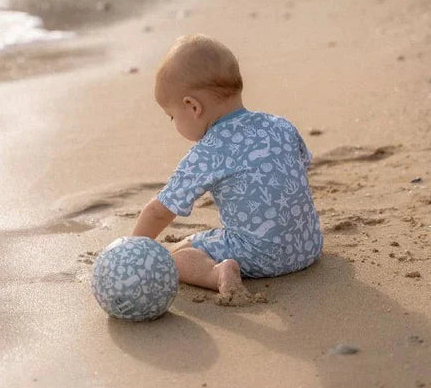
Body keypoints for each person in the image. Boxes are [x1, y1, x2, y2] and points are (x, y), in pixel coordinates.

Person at [132, 34, 323, 305]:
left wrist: (131, 250)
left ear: (192, 106)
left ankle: (217, 273)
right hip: (308, 248)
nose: (174, 123)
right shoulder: (280, 125)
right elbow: (300, 166)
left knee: (180, 255)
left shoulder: (207, 151)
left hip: (260, 257)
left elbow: (159, 211)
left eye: (172, 117)